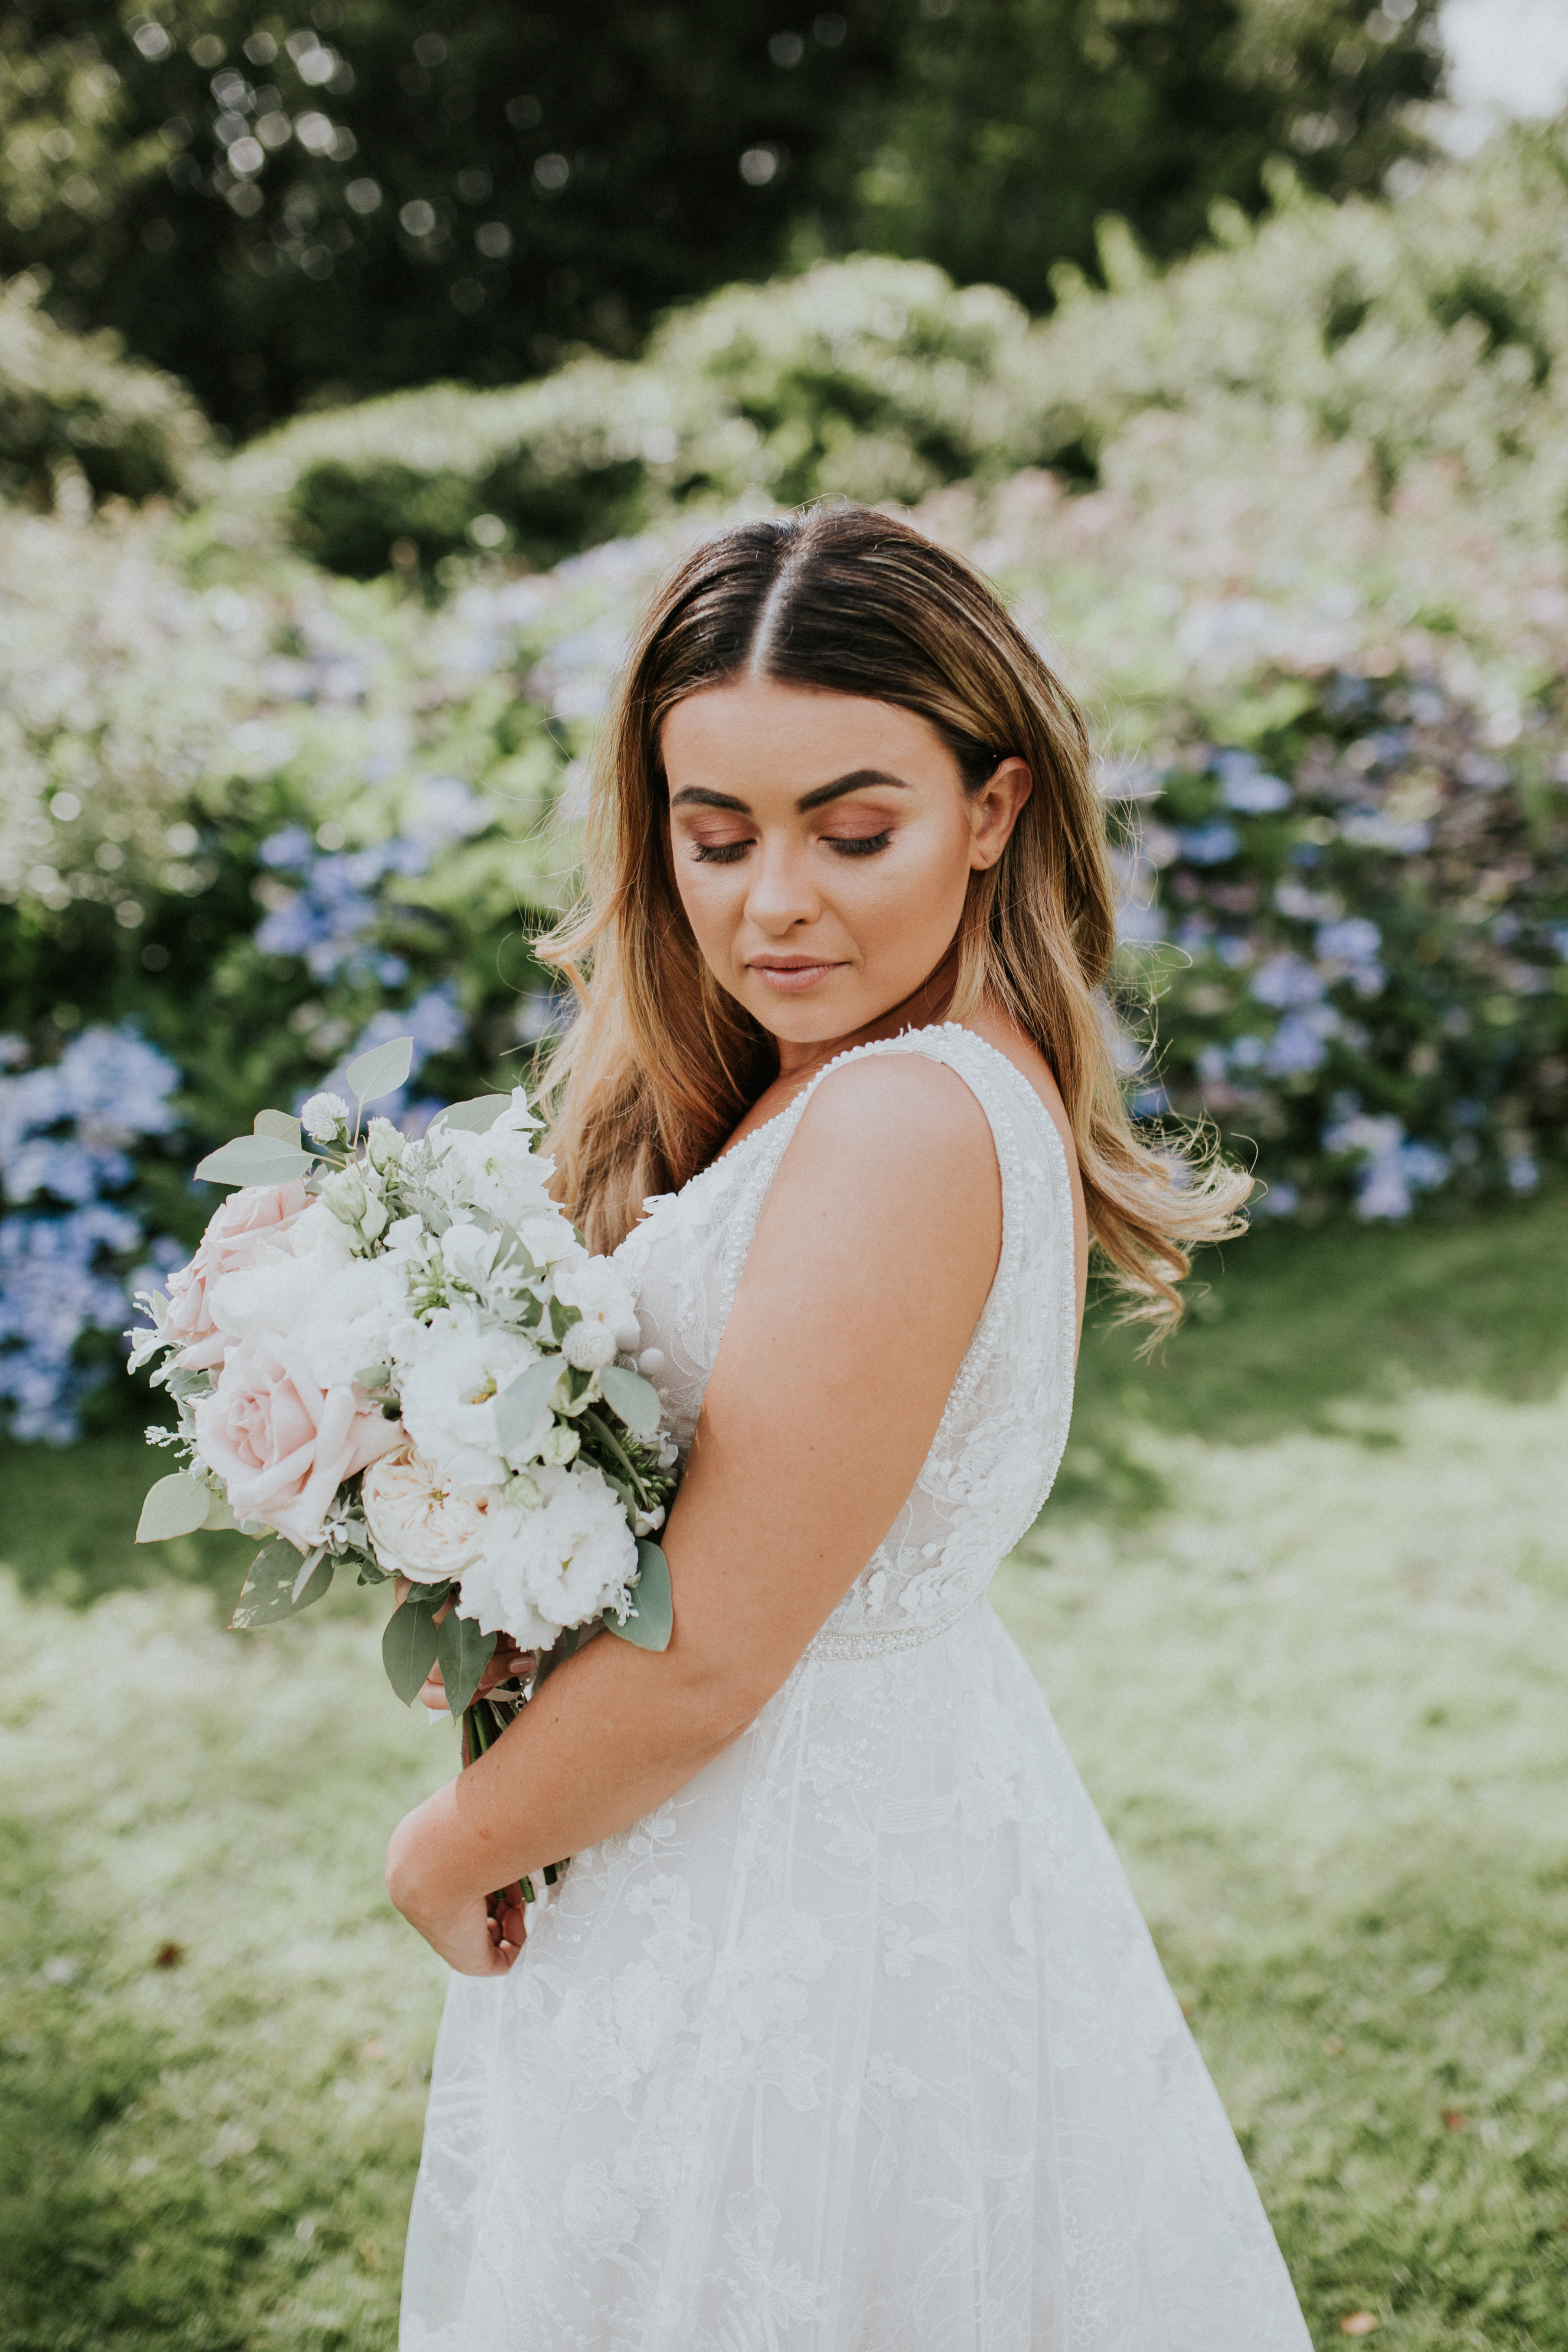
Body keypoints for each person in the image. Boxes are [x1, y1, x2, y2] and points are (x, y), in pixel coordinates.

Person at [386, 504, 1313, 2349]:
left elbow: (716, 1651)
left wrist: (447, 1845)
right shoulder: (851, 1083)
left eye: (853, 827)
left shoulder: (897, 1121)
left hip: (796, 1876)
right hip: (811, 1836)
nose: (773, 903)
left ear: (994, 809)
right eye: (713, 838)